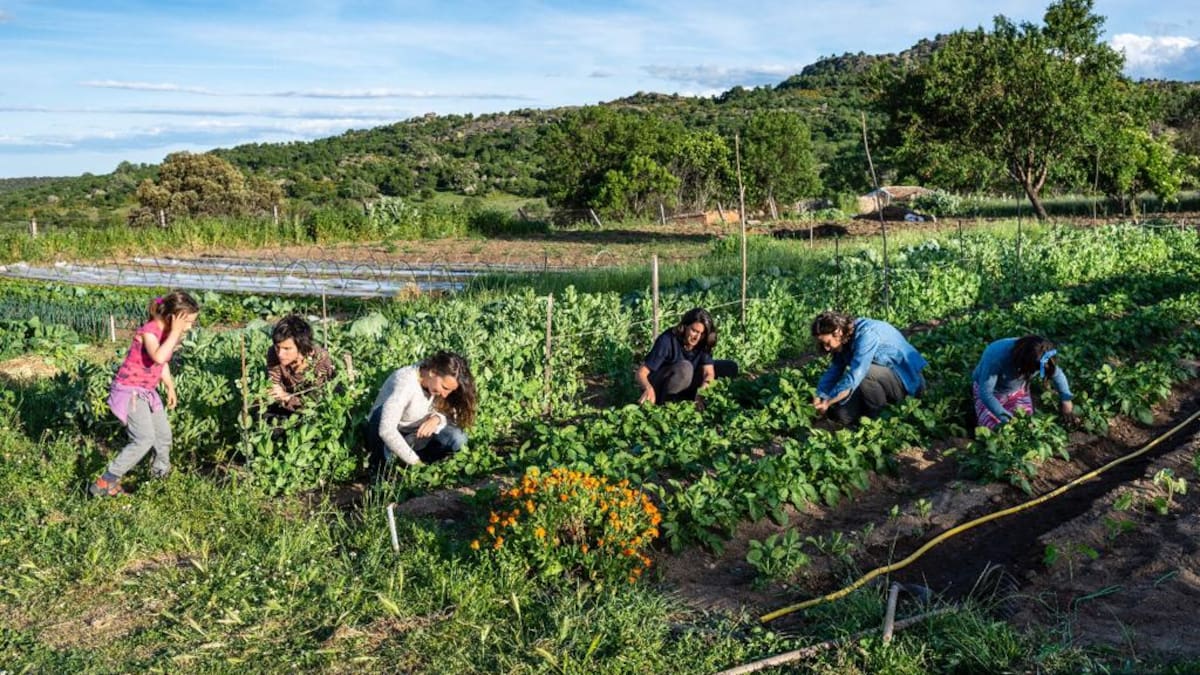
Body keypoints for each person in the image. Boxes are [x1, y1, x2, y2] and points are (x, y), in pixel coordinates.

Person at [89, 290, 200, 497]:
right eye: (187, 322)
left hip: (147, 392)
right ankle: (107, 481)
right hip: (129, 391)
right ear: (173, 318)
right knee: (143, 438)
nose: (189, 327)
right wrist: (175, 333)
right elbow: (158, 357)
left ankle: (160, 477)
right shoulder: (149, 331)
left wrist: (169, 385)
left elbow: (163, 362)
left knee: (163, 436)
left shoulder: (167, 334)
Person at [366, 351, 477, 477]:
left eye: (450, 391)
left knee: (458, 438)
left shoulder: (436, 383)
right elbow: (386, 430)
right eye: (444, 388)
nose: (445, 394)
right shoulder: (405, 383)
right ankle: (380, 467)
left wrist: (437, 418)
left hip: (417, 435)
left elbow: (452, 413)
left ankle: (418, 466)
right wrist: (415, 462)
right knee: (380, 414)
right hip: (388, 434)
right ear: (432, 372)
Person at [811, 310, 927, 426]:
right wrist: (820, 395)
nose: (826, 348)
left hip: (908, 383)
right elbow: (834, 370)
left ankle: (880, 420)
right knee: (842, 416)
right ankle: (869, 413)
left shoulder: (866, 335)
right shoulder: (844, 339)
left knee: (866, 374)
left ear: (838, 332)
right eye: (822, 344)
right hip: (881, 381)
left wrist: (828, 401)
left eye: (827, 343)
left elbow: (856, 375)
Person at [637, 307, 738, 406]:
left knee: (729, 367)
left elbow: (708, 373)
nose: (697, 337)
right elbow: (641, 373)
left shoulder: (703, 342)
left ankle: (697, 401)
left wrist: (702, 392)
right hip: (661, 386)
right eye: (694, 331)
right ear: (684, 326)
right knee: (686, 368)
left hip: (687, 380)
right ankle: (668, 404)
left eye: (702, 334)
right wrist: (648, 388)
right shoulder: (668, 340)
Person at [973, 335, 1075, 429]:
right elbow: (986, 393)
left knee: (1027, 424)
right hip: (992, 393)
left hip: (1018, 392)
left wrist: (1066, 400)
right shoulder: (996, 356)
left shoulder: (1043, 354)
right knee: (995, 428)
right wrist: (1008, 419)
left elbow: (1057, 374)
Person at [264, 315, 336, 419]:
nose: (280, 354)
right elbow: (274, 383)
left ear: (301, 347)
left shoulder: (320, 360)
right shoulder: (273, 353)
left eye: (287, 349)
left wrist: (286, 397)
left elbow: (317, 402)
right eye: (278, 347)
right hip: (285, 405)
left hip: (312, 410)